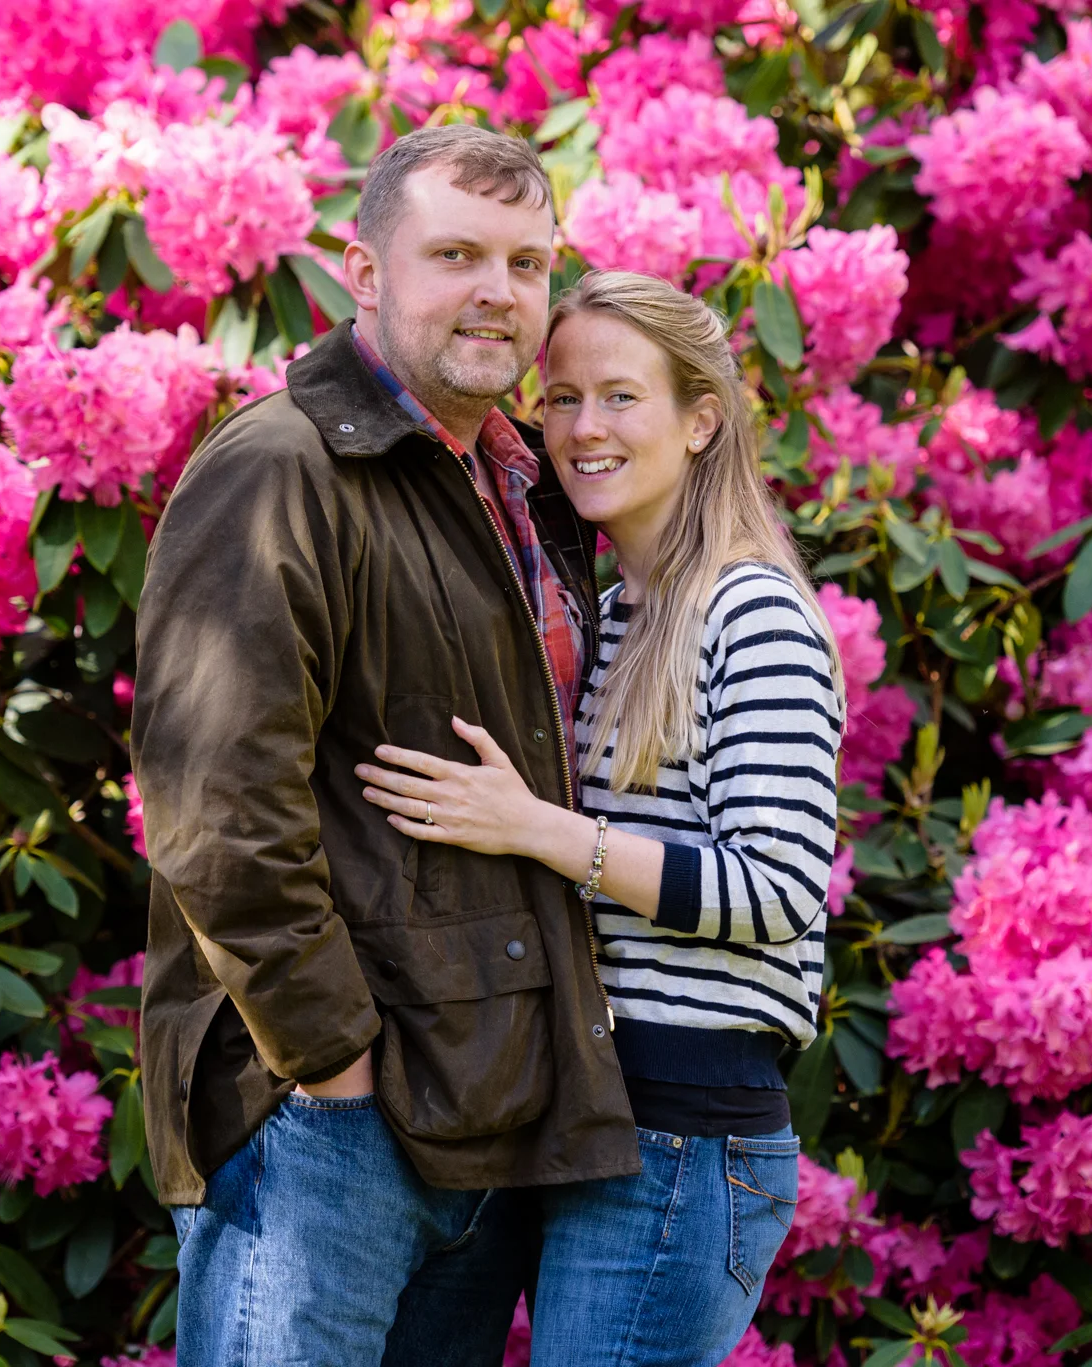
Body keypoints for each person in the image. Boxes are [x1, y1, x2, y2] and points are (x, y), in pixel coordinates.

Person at [130, 126, 640, 1367]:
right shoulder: (279, 466)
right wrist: (332, 1060)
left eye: (525, 263)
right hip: (325, 1123)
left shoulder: (521, 487)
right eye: (454, 253)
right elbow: (218, 803)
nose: (496, 291)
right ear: (362, 270)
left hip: (485, 1107)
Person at [358, 270, 844, 1367]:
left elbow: (773, 892)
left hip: (683, 1133)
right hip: (575, 1111)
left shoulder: (752, 611)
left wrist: (535, 828)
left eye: (620, 397)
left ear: (699, 418)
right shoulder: (609, 611)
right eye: (561, 397)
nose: (581, 428)